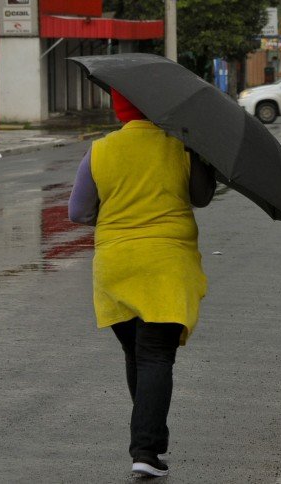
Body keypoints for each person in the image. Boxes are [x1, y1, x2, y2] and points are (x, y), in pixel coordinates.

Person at [68, 88, 216, 477]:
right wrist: (200, 154)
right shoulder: (180, 147)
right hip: (166, 267)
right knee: (155, 357)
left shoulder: (99, 152)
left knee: (138, 355)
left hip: (115, 266)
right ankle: (146, 452)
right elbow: (201, 197)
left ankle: (151, 443)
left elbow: (78, 212)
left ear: (119, 111)